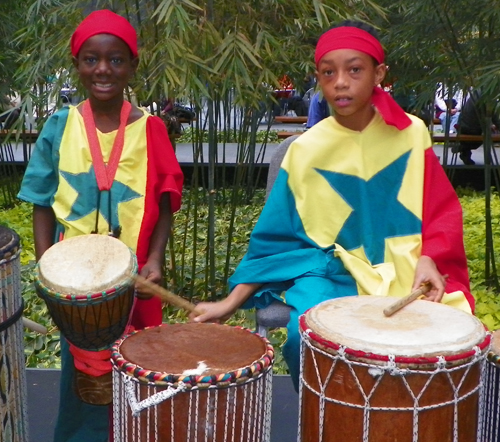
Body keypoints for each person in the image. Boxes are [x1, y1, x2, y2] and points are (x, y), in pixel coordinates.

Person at [190, 20, 474, 390]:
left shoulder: (412, 132)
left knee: (431, 338)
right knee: (305, 337)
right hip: (331, 273)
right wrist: (230, 302)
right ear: (318, 79)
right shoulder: (305, 150)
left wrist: (429, 256)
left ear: (379, 74)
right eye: (329, 72)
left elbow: (440, 213)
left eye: (354, 70)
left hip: (407, 267)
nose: (341, 81)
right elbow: (276, 241)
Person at [17, 10, 183, 441]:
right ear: (77, 65)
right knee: (84, 379)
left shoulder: (151, 129)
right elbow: (40, 202)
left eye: (115, 60)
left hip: (135, 280)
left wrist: (155, 258)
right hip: (78, 289)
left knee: (141, 376)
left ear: (132, 66)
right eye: (91, 60)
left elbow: (165, 202)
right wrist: (49, 269)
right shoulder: (60, 125)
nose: (103, 70)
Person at [457, 90, 500, 165]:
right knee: (487, 135)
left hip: (463, 126)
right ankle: (464, 147)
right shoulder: (488, 96)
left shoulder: (476, 92)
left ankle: (464, 149)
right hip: (474, 129)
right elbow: (494, 116)